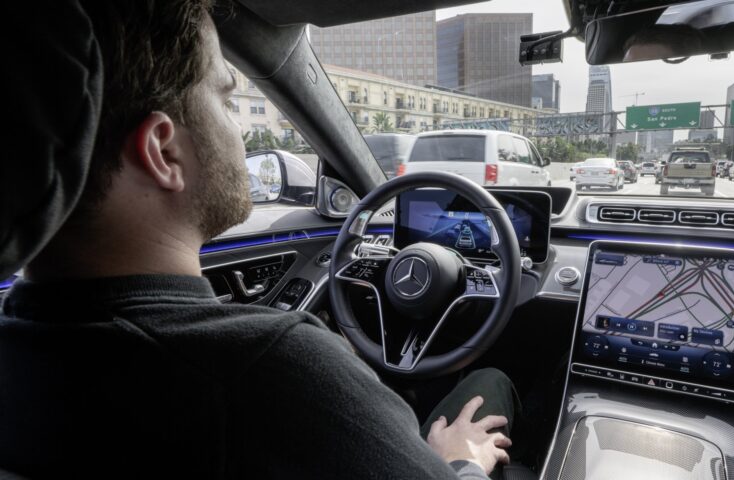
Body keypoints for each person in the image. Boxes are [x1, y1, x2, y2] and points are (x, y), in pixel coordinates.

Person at [0, 1, 520, 478]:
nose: (243, 133)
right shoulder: (276, 370)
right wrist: (457, 462)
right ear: (163, 151)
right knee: (491, 382)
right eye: (227, 99)